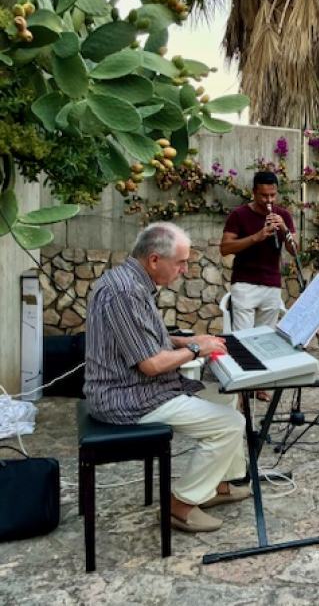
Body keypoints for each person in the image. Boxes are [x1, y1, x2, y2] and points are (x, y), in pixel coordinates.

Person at [84, 222, 250, 533]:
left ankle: (217, 486)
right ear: (155, 260)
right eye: (181, 262)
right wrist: (197, 348)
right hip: (127, 397)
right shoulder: (124, 292)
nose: (185, 270)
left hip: (136, 389)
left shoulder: (129, 281)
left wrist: (185, 341)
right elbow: (151, 364)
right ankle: (181, 505)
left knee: (226, 395)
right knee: (231, 423)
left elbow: (144, 340)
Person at [220, 170, 297, 332]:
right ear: (254, 192)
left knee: (266, 337)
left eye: (273, 195)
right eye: (264, 196)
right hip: (244, 284)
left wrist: (283, 228)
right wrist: (256, 237)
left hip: (272, 284)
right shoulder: (239, 215)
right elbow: (225, 248)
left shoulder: (283, 215)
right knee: (243, 338)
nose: (269, 200)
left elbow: (295, 250)